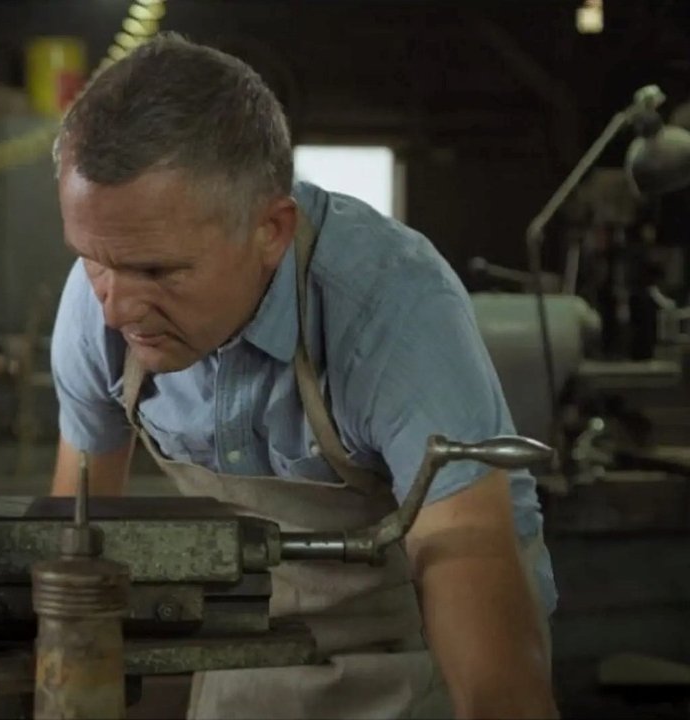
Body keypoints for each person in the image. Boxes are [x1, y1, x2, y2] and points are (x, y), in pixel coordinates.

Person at [47, 33, 558, 719]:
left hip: (420, 648)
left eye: (160, 271)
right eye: (93, 259)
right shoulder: (98, 306)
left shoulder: (392, 308)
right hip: (250, 648)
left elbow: (467, 568)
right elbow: (75, 546)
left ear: (271, 230)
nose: (118, 307)